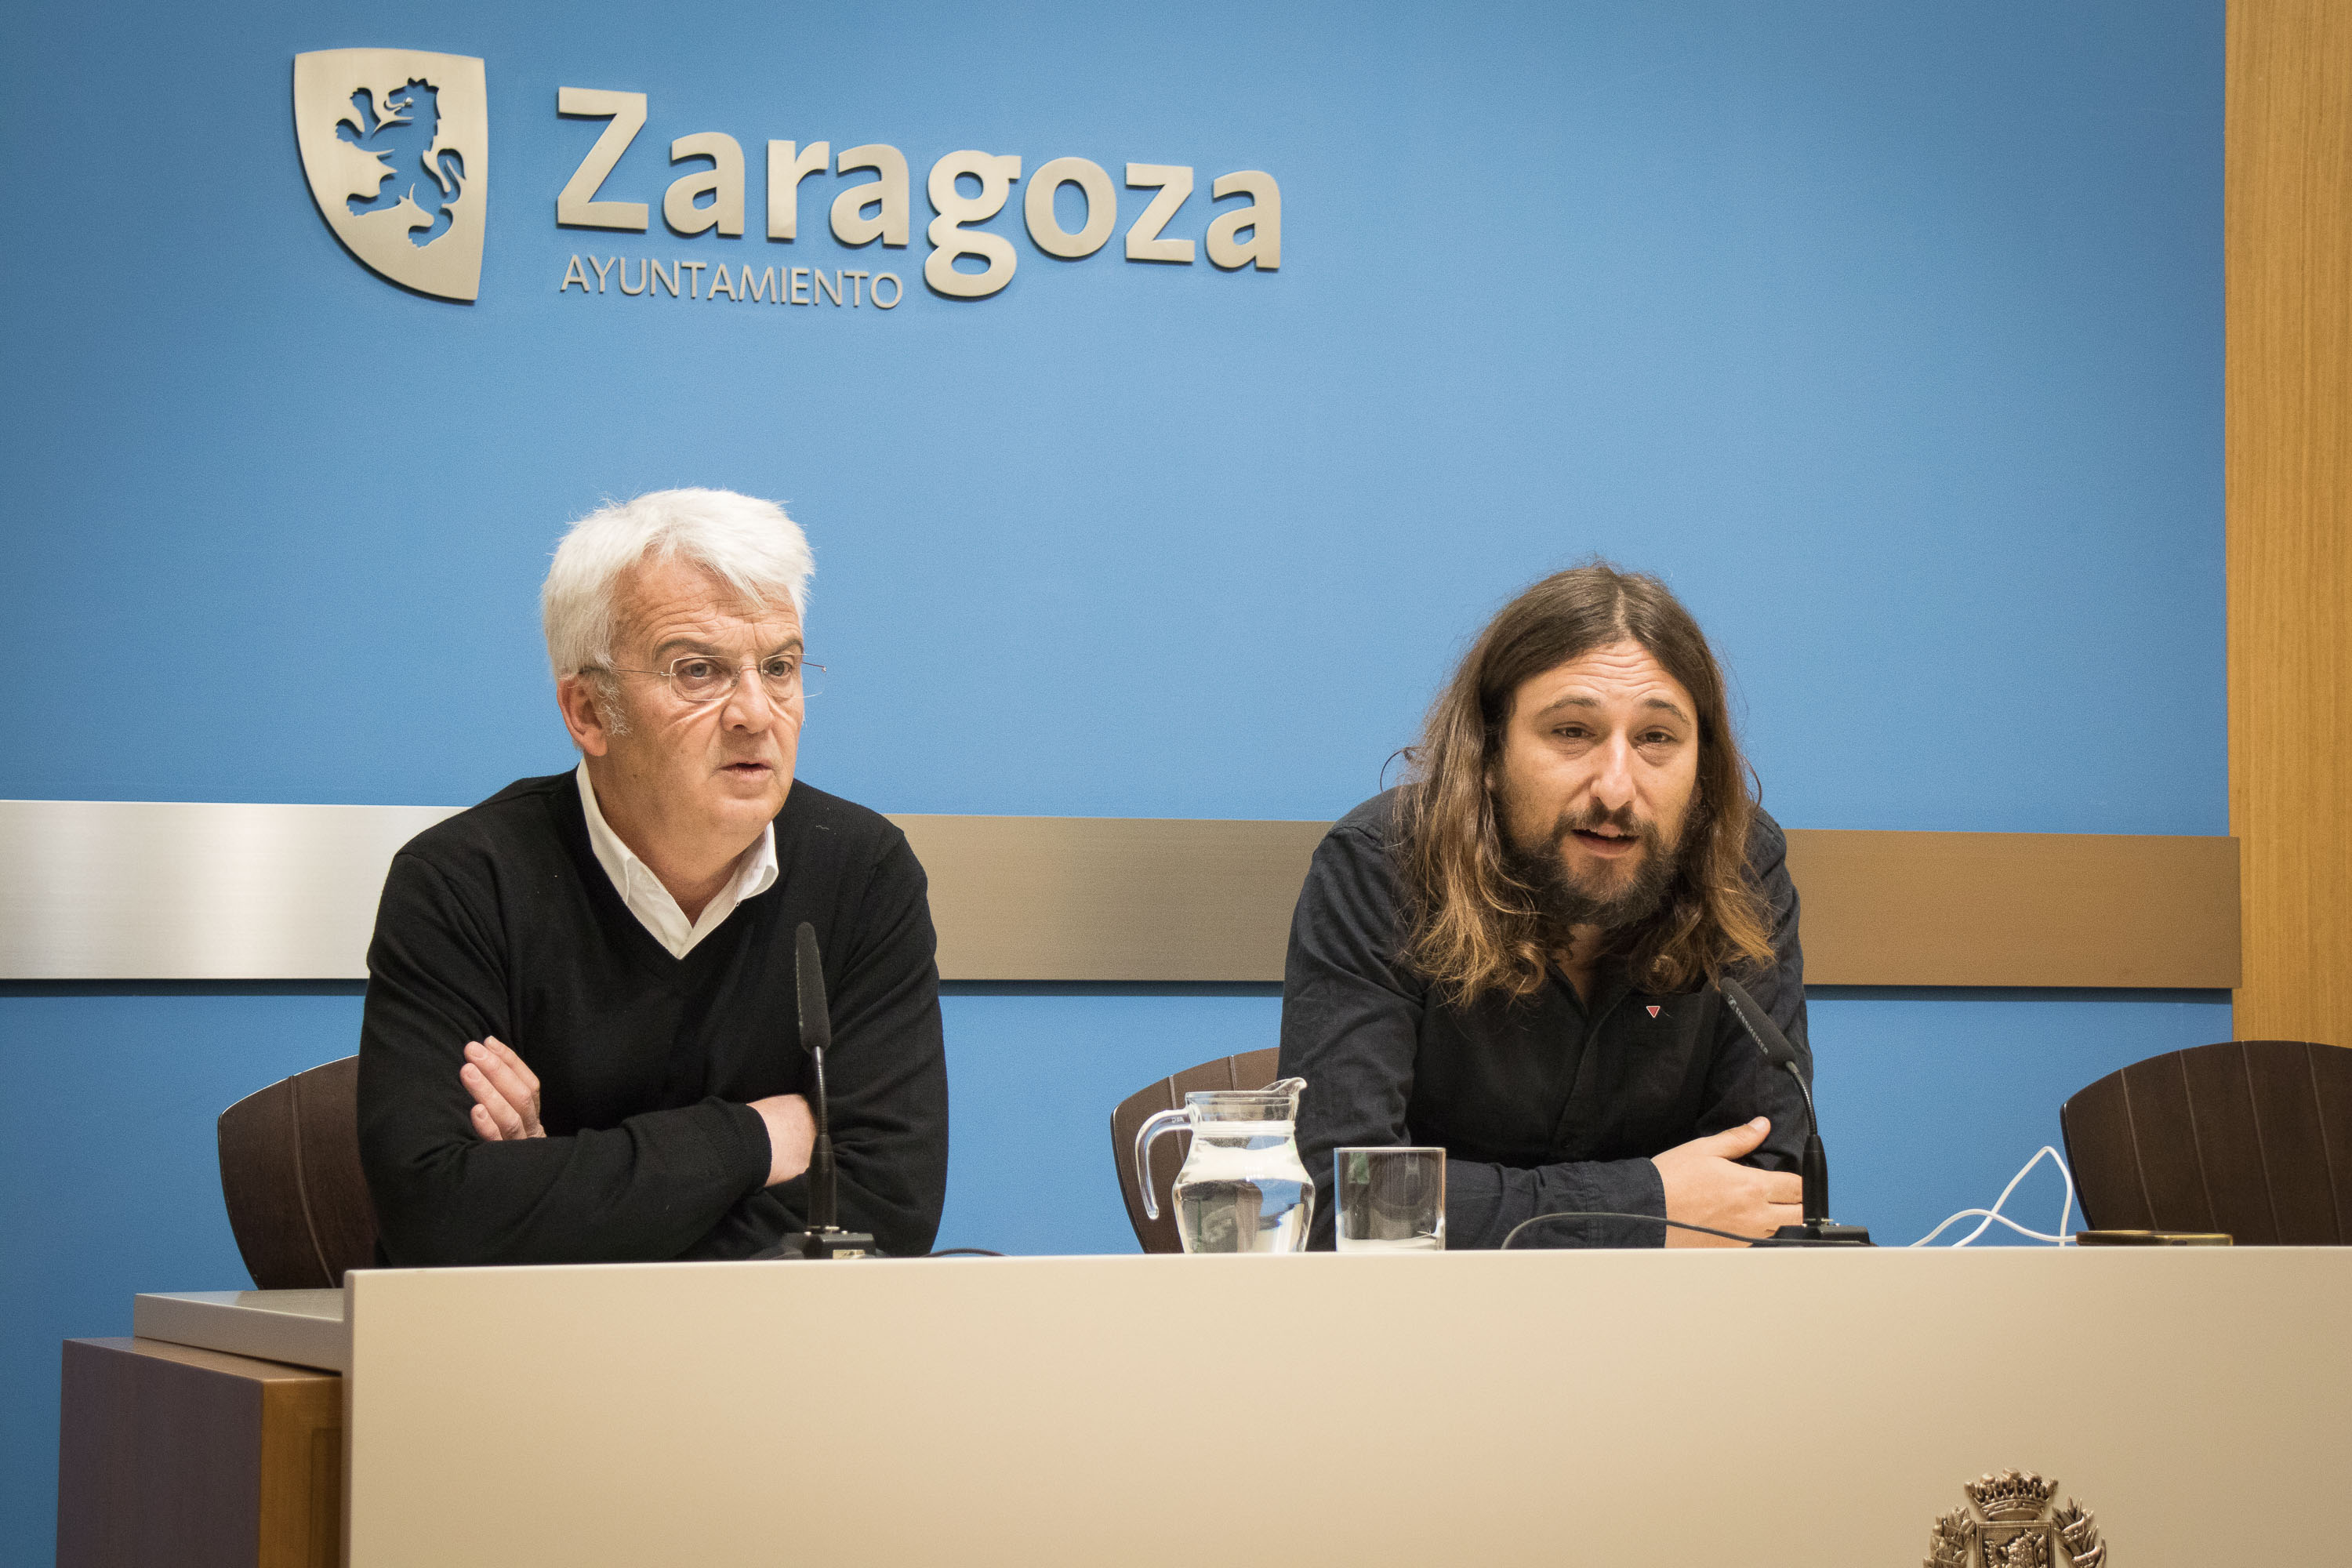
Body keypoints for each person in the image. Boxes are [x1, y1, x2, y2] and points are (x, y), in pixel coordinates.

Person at [358, 488, 948, 1264]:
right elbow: (436, 1212)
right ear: (588, 711)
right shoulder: (463, 883)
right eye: (698, 670)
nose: (755, 713)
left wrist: (555, 1196)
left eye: (779, 667)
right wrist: (755, 1136)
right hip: (523, 1343)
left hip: (776, 1341)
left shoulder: (863, 871)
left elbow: (887, 1210)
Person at [1279, 562, 1808, 1249]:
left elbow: (1765, 1191)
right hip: (1429, 1313)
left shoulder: (1740, 869)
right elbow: (1344, 1201)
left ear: (1702, 768)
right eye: (1571, 732)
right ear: (1488, 753)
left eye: (1656, 738)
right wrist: (1647, 1203)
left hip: (1670, 1312)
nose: (1616, 788)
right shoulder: (1382, 868)